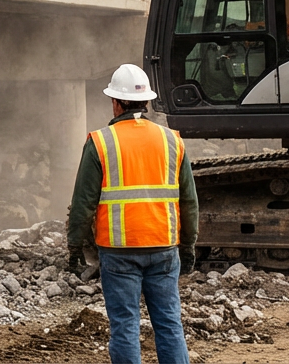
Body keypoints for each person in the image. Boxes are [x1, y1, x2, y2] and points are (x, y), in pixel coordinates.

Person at [67, 64, 199, 364]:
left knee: (125, 326)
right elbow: (189, 201)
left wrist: (75, 247)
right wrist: (188, 245)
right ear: (147, 102)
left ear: (116, 102)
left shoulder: (101, 142)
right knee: (169, 324)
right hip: (164, 248)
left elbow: (83, 203)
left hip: (118, 252)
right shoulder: (172, 141)